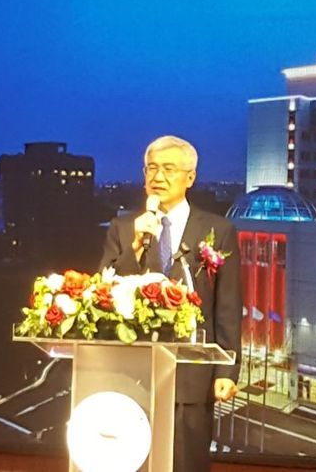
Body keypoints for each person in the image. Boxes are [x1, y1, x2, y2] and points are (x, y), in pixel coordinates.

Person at [100, 135, 242, 472]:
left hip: (192, 375)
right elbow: (106, 292)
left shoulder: (218, 229)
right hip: (131, 373)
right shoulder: (123, 228)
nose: (158, 177)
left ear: (190, 177)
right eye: (151, 168)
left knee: (186, 463)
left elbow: (228, 305)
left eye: (168, 169)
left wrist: (227, 369)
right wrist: (136, 245)